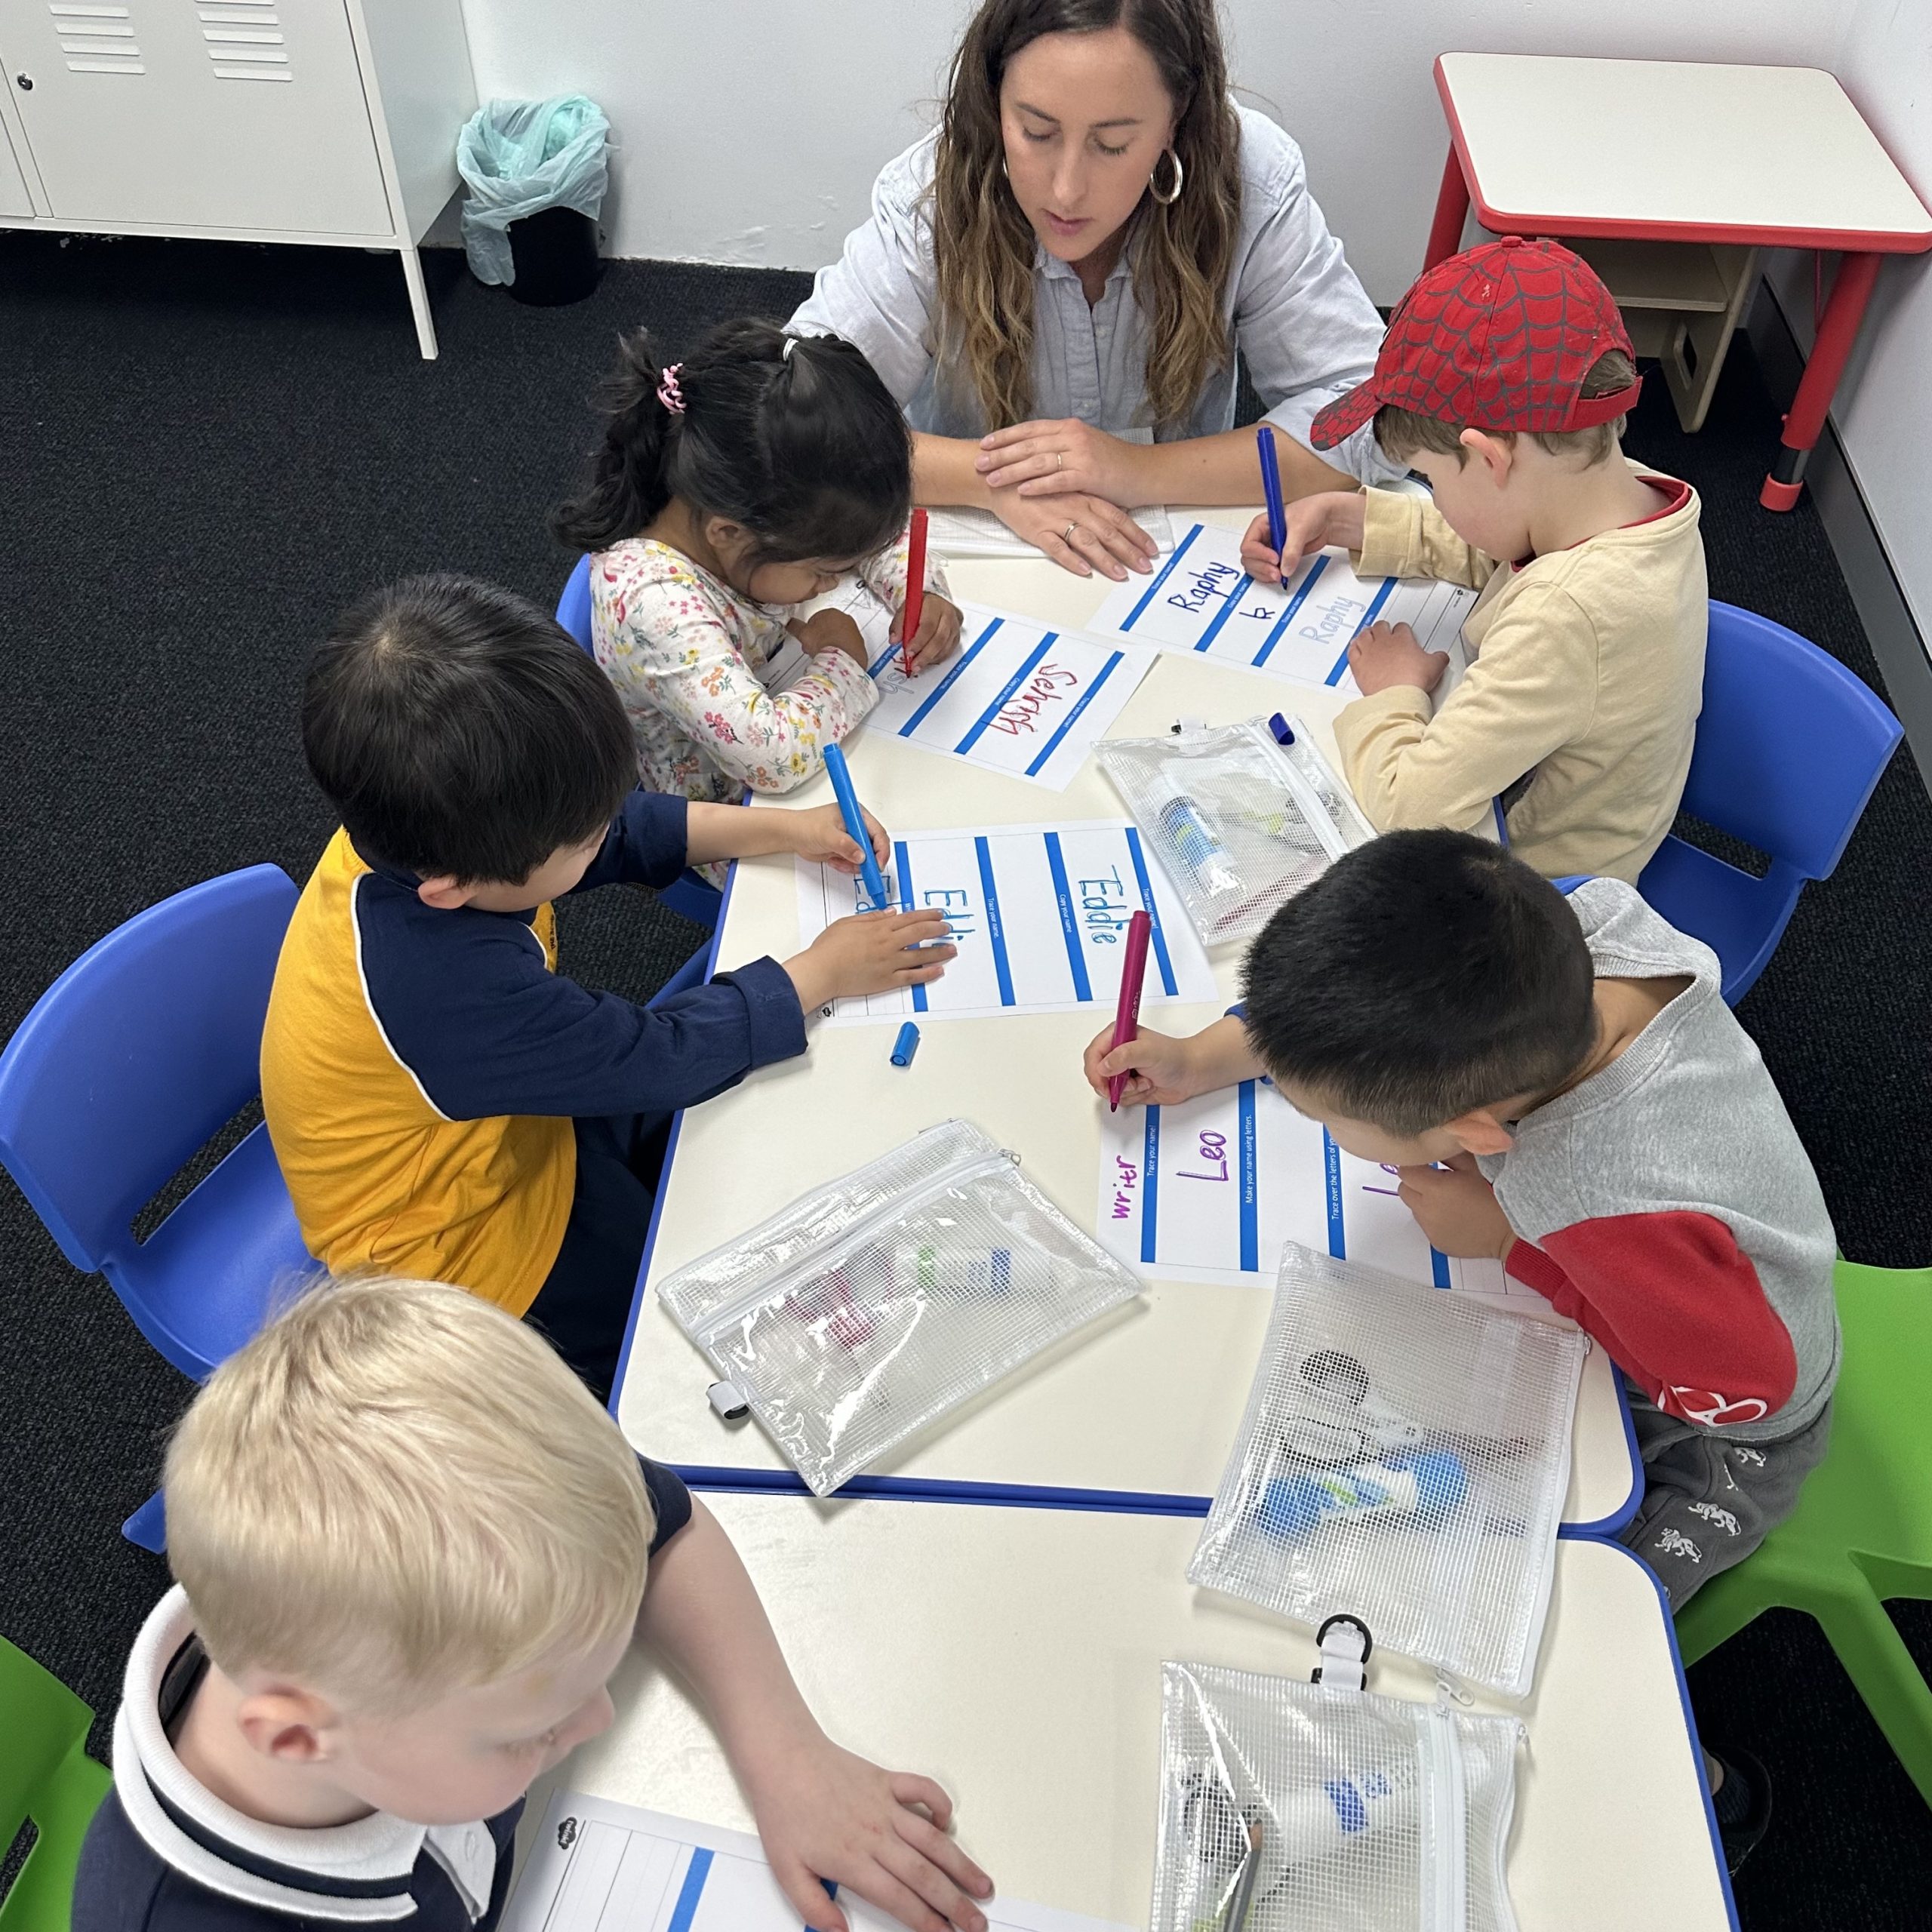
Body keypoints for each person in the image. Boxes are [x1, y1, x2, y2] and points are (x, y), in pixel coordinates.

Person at [1084, 832, 1835, 1864]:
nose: (1321, 1123)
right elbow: (1357, 1009)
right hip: (1691, 1274)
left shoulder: (1589, 1200)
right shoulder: (1576, 923)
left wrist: (1510, 1243)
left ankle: (1709, 1794)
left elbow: (1756, 1380)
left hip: (1729, 1426)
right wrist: (1204, 1057)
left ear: (1477, 1136)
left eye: (1334, 1124)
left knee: (1551, 1629)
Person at [71, 1274, 994, 1932]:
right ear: (299, 1736)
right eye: (528, 1731)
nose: (594, 1719)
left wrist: (785, 1753)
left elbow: (661, 1525)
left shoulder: (458, 1545)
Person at [260, 575, 953, 1399]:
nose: (602, 836)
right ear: (451, 888)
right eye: (580, 839)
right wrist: (824, 970)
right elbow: (652, 1056)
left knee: (746, 1139)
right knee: (698, 1345)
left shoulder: (432, 831)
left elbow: (621, 829)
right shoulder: (444, 993)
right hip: (466, 1253)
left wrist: (790, 830)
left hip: (509, 1125)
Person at [792, 0, 1398, 580]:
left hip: (1181, 551)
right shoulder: (931, 199)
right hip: (975, 548)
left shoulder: (1252, 180)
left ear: (1176, 119)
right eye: (1035, 132)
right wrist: (990, 483)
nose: (1065, 191)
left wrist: (1137, 471)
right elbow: (793, 414)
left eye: (1112, 144)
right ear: (994, 98)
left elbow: (1378, 413)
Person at [1241, 236, 1706, 885]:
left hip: (1538, 903)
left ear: (1490, 457)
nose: (1433, 494)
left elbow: (1412, 810)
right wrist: (1355, 517)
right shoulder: (1621, 498)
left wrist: (1397, 693)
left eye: (1430, 478)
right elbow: (1510, 543)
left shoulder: (1569, 616)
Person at [555, 320, 963, 857]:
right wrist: (844, 658)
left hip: (795, 716)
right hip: (737, 822)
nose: (833, 583)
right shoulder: (652, 606)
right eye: (822, 572)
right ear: (730, 533)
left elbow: (866, 525)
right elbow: (769, 757)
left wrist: (917, 592)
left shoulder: (733, 500)